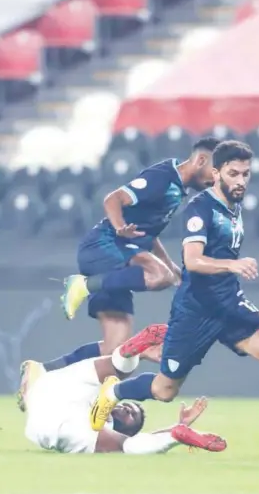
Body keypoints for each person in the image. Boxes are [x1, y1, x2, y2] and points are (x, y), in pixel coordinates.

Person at [87, 140, 259, 464]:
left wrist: (230, 273)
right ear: (216, 172)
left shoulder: (235, 207)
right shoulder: (200, 209)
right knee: (165, 390)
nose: (242, 181)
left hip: (229, 302)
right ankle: (114, 392)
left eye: (247, 174)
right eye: (234, 173)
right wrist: (232, 264)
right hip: (195, 309)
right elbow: (192, 261)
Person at [57, 138, 220, 372]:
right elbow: (112, 199)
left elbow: (149, 235)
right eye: (215, 172)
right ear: (201, 160)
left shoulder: (178, 191)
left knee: (117, 351)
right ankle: (82, 285)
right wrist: (121, 226)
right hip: (103, 245)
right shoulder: (163, 177)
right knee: (159, 276)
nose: (216, 180)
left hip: (119, 256)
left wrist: (171, 266)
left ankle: (44, 371)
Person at [23, 354, 226, 455]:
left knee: (125, 445)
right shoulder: (97, 399)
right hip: (54, 399)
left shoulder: (106, 430)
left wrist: (176, 427)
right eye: (129, 406)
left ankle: (130, 356)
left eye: (132, 415)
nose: (127, 408)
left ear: (128, 430)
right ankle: (130, 353)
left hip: (52, 424)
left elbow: (139, 439)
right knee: (91, 376)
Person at [17, 323, 167, 412]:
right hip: (114, 270)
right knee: (116, 347)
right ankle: (43, 370)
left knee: (117, 349)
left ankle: (44, 371)